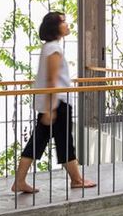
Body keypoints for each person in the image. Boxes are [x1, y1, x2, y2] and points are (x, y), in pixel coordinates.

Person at [12, 11, 96, 194]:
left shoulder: (49, 47)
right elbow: (52, 79)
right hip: (57, 103)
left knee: (40, 141)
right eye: (63, 22)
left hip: (53, 102)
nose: (67, 25)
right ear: (54, 27)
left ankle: (20, 181)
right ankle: (76, 179)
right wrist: (52, 108)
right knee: (63, 141)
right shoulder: (54, 49)